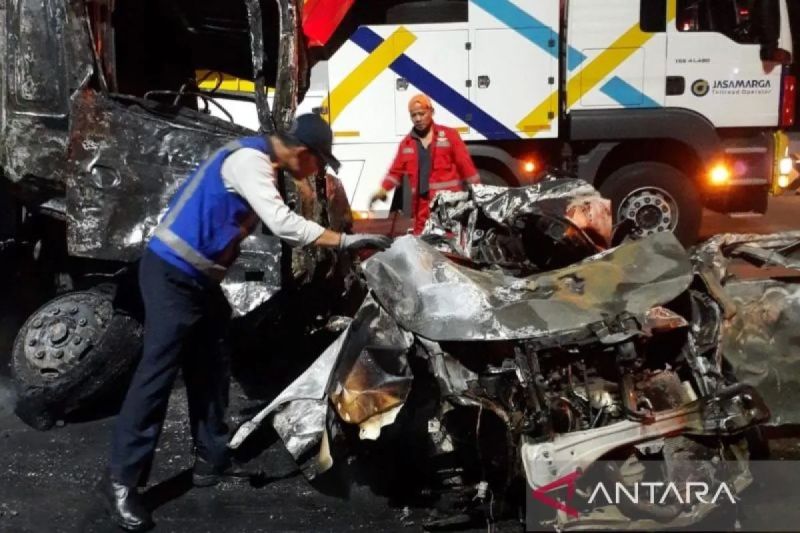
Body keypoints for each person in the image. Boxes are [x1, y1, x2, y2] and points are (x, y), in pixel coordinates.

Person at [97, 113, 390, 532]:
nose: (316, 172)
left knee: (213, 362)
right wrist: (343, 241)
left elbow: (259, 224)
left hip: (198, 280)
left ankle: (210, 460)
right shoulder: (250, 162)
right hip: (171, 273)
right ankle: (120, 483)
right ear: (303, 154)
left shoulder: (262, 164)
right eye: (318, 163)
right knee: (157, 374)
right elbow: (283, 225)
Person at [369, 94, 480, 234]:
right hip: (422, 207)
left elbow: (467, 168)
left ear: (431, 112)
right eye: (413, 115)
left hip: (448, 206)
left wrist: (478, 193)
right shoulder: (406, 144)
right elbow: (395, 172)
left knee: (449, 244)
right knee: (423, 244)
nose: (418, 119)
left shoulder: (450, 136)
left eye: (421, 113)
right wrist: (383, 189)